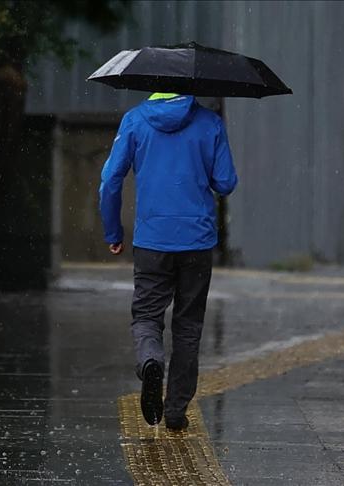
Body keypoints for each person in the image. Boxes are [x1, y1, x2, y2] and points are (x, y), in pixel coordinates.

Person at [98, 92, 238, 430]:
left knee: (146, 316)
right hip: (197, 241)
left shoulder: (135, 120)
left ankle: (150, 361)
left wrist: (113, 231)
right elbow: (226, 182)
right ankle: (175, 410)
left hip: (152, 240)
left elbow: (110, 180)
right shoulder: (210, 122)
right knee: (188, 325)